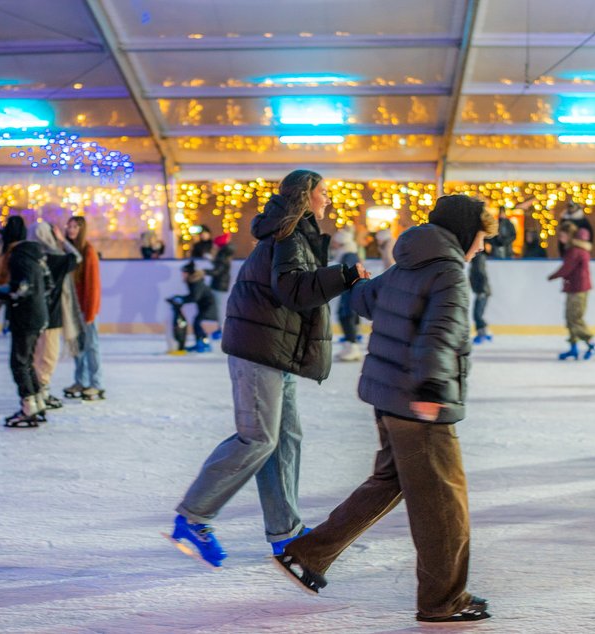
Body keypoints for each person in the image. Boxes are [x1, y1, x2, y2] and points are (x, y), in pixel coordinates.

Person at [273, 194, 497, 624]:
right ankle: (443, 601)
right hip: (420, 403)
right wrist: (432, 386)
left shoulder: (409, 261)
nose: (482, 247)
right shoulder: (449, 271)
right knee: (443, 508)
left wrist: (358, 281)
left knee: (388, 483)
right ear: (466, 232)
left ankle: (307, 555)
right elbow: (441, 332)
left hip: (388, 397)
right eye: (481, 238)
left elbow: (363, 303)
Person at [169, 169, 367, 566]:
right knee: (257, 438)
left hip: (277, 348)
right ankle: (193, 517)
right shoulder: (288, 233)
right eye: (323, 193)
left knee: (285, 437)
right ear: (306, 195)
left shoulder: (295, 230)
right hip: (258, 347)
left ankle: (285, 531)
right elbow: (292, 288)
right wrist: (343, 276)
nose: (328, 199)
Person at [0, 216, 51, 427]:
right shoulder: (36, 255)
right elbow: (48, 284)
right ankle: (38, 402)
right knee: (26, 362)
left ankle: (29, 407)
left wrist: (4, 295)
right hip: (38, 314)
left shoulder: (17, 257)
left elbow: (22, 288)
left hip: (25, 317)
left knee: (18, 362)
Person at [28, 221, 83, 412]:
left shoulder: (28, 258)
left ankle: (35, 391)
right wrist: (62, 241)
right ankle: (41, 390)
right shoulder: (55, 258)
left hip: (31, 316)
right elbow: (76, 257)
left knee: (35, 356)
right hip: (52, 316)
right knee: (49, 356)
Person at [63, 216, 105, 401]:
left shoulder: (88, 251)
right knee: (77, 346)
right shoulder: (69, 252)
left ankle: (96, 384)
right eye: (69, 226)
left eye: (76, 227)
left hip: (85, 307)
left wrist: (90, 311)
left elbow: (93, 285)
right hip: (71, 307)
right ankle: (81, 380)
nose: (72, 230)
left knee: (91, 345)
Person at [548, 224, 595, 360]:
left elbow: (566, 268)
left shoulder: (575, 251)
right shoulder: (577, 249)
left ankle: (591, 343)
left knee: (574, 318)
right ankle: (574, 348)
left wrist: (552, 276)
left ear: (569, 236)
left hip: (578, 289)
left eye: (562, 236)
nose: (560, 238)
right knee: (571, 318)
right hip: (576, 288)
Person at [169, 260, 218, 353]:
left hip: (208, 308)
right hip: (205, 307)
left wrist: (181, 299)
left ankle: (204, 344)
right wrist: (180, 298)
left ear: (189, 273)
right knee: (197, 323)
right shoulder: (193, 281)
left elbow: (195, 297)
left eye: (184, 272)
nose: (182, 275)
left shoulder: (196, 282)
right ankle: (200, 343)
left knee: (198, 323)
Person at [331, 226, 363, 361]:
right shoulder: (347, 253)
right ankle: (349, 346)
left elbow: (348, 273)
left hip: (351, 291)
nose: (334, 244)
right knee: (344, 315)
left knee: (347, 316)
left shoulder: (348, 254)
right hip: (350, 291)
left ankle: (352, 346)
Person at [205, 233, 234, 339]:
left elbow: (218, 271)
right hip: (221, 283)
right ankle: (220, 328)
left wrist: (203, 272)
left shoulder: (222, 255)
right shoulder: (224, 254)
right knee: (219, 307)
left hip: (220, 284)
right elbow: (219, 267)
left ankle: (222, 329)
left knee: (219, 308)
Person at [469, 242, 492, 343]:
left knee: (477, 314)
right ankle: (484, 333)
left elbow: (481, 275)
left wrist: (482, 290)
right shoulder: (477, 259)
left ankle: (482, 334)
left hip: (482, 291)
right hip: (481, 290)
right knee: (478, 314)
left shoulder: (478, 259)